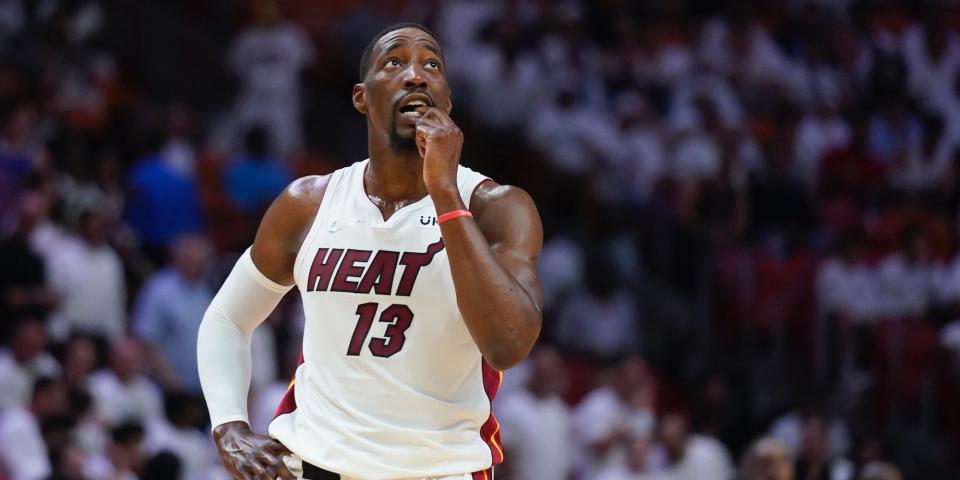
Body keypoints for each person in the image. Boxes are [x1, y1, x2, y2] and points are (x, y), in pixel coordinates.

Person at [198, 22, 543, 480]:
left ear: (448, 100)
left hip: (437, 470)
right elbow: (226, 318)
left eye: (432, 64)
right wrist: (228, 426)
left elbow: (508, 344)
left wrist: (443, 192)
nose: (416, 75)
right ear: (362, 97)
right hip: (315, 463)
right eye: (395, 62)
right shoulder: (309, 203)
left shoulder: (495, 207)